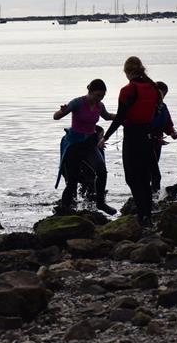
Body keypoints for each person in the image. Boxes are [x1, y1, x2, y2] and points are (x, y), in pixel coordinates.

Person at [101, 57, 162, 227]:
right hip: (147, 136)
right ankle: (147, 217)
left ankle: (143, 216)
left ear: (127, 72)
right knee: (144, 178)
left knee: (132, 178)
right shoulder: (153, 88)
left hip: (133, 137)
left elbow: (121, 117)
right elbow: (155, 114)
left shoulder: (128, 89)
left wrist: (105, 137)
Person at [53, 79, 117, 215]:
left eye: (102, 96)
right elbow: (56, 117)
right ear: (90, 91)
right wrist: (61, 111)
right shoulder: (78, 102)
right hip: (74, 144)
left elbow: (107, 116)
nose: (99, 98)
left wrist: (122, 117)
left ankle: (101, 203)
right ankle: (64, 208)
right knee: (72, 179)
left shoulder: (100, 105)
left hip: (90, 143)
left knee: (101, 170)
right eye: (97, 95)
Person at [149, 81, 177, 194]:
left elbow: (168, 123)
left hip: (158, 142)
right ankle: (150, 195)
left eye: (164, 95)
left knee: (154, 168)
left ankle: (152, 195)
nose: (162, 97)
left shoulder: (163, 107)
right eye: (161, 94)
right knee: (152, 172)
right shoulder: (147, 106)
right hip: (147, 142)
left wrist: (172, 132)